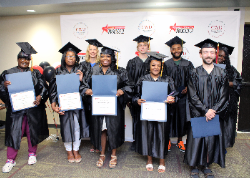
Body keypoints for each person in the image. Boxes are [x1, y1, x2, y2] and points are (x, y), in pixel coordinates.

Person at [0, 42, 49, 173]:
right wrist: (4, 87)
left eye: (27, 59)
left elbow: (44, 87)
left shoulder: (35, 74)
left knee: (31, 131)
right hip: (16, 110)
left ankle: (32, 154)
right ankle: (10, 159)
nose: (24, 61)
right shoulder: (8, 73)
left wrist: (40, 96)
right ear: (18, 59)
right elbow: (2, 92)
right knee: (14, 133)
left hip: (32, 109)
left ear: (30, 60)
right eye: (22, 58)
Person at [184, 39, 229, 178]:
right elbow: (192, 95)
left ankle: (206, 165)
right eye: (205, 52)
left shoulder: (222, 73)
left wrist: (213, 110)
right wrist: (205, 110)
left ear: (215, 54)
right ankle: (194, 165)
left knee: (211, 138)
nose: (208, 55)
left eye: (211, 52)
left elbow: (224, 95)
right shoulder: (194, 72)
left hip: (214, 113)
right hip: (198, 112)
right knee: (197, 138)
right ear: (200, 54)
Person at [83, 46, 133, 168]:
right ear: (100, 57)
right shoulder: (93, 71)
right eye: (103, 56)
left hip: (114, 107)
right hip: (99, 106)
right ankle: (102, 154)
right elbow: (83, 85)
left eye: (108, 56)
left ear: (112, 58)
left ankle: (114, 155)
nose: (105, 58)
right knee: (102, 129)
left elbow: (130, 86)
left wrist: (122, 90)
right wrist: (86, 90)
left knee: (113, 130)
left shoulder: (120, 71)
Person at [133, 52, 178, 173]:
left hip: (162, 112)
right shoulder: (143, 79)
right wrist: (137, 100)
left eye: (158, 65)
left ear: (161, 66)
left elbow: (174, 94)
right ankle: (149, 160)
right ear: (149, 66)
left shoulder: (167, 79)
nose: (156, 68)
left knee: (162, 135)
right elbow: (135, 95)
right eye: (153, 65)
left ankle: (162, 161)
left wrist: (172, 99)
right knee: (148, 134)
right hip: (147, 112)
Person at [49, 42, 89, 163]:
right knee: (66, 127)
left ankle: (76, 149)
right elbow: (53, 90)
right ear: (64, 57)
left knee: (77, 126)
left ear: (76, 58)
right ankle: (69, 151)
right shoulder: (58, 72)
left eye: (73, 56)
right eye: (68, 56)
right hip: (64, 105)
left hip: (77, 105)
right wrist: (53, 104)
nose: (70, 58)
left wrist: (82, 80)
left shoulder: (80, 70)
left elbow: (86, 88)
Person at [163, 36, 194, 152]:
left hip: (183, 97)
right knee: (169, 118)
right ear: (171, 50)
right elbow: (163, 80)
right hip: (170, 96)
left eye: (178, 48)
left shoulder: (188, 64)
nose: (176, 50)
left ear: (182, 50)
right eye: (174, 49)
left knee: (182, 118)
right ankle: (169, 141)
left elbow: (193, 79)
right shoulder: (166, 64)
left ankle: (180, 140)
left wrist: (188, 87)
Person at [126, 35, 152, 150]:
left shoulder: (152, 61)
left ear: (148, 47)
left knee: (149, 119)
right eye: (140, 45)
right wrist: (129, 97)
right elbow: (128, 80)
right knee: (136, 118)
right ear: (137, 48)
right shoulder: (131, 62)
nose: (142, 47)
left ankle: (149, 142)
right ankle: (136, 141)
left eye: (145, 45)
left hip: (149, 95)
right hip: (135, 96)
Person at [217, 42, 241, 148]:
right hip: (215, 102)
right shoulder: (210, 68)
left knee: (227, 124)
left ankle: (225, 144)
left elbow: (238, 83)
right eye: (219, 55)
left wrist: (228, 82)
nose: (221, 58)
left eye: (223, 56)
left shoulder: (231, 70)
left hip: (228, 101)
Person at [81, 39, 103, 153]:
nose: (93, 51)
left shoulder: (101, 64)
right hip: (87, 97)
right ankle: (93, 143)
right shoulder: (83, 64)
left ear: (97, 51)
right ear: (88, 51)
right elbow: (81, 81)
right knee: (90, 120)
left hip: (98, 96)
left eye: (95, 49)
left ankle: (99, 144)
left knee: (98, 120)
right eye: (91, 49)